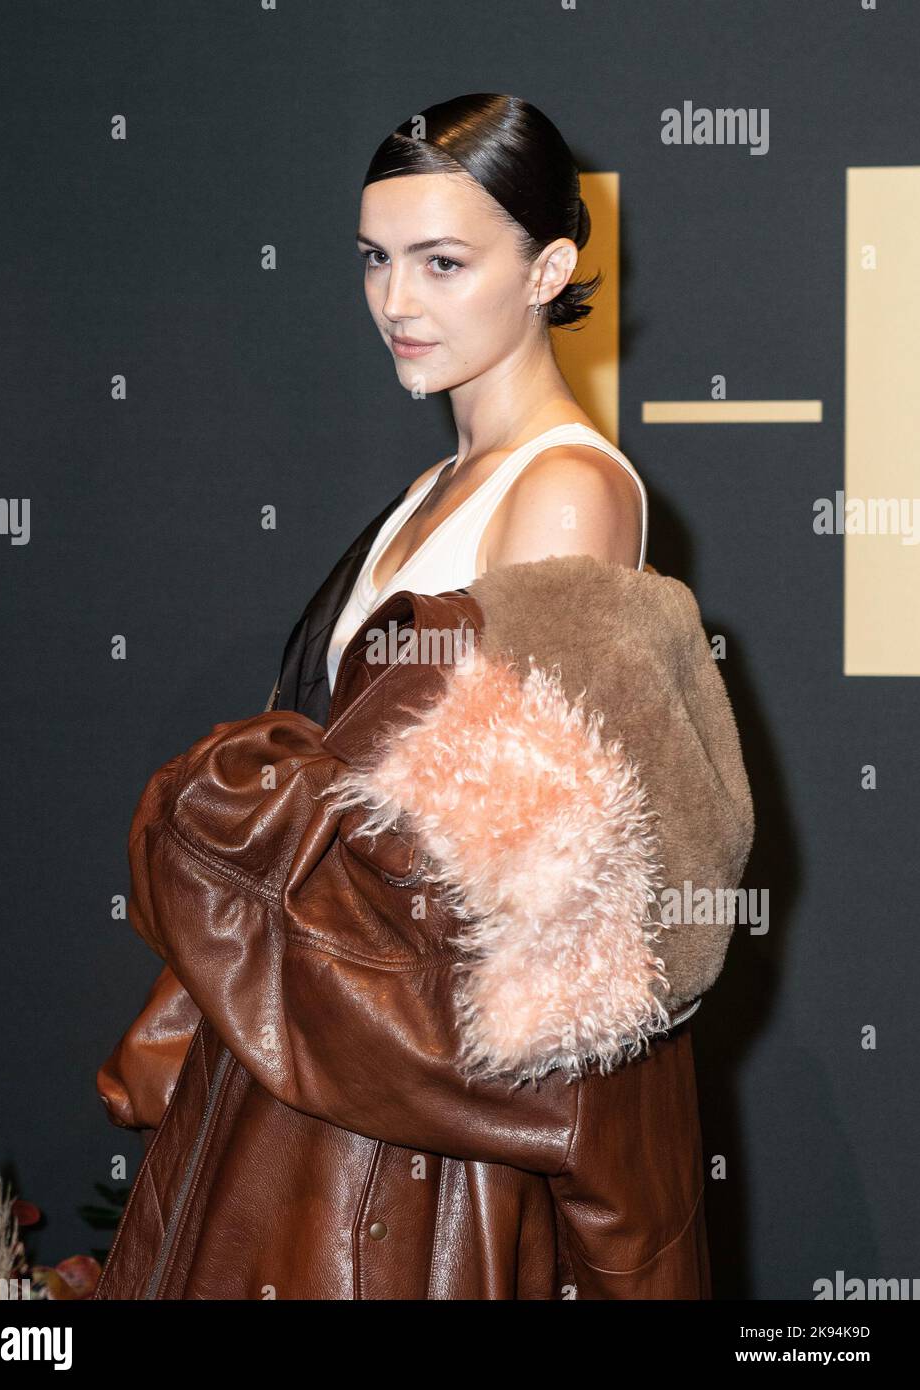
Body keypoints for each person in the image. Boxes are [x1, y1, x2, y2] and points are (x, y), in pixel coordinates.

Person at [95, 93, 754, 1301]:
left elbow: (514, 893)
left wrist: (241, 814)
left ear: (550, 266)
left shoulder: (569, 492)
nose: (398, 302)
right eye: (376, 261)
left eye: (445, 263)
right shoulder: (432, 489)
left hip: (415, 1133)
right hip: (320, 1077)